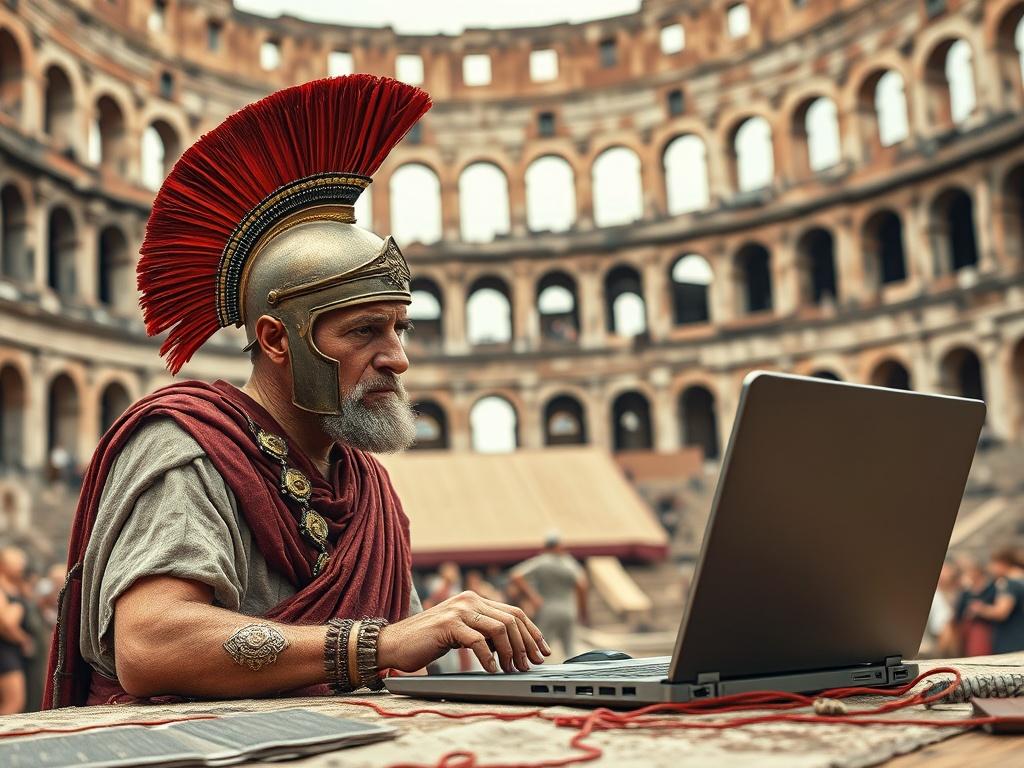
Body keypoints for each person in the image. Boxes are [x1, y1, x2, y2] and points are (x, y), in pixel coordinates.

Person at [44, 75, 549, 709]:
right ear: (278, 339)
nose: (397, 357)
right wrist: (376, 647)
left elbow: (402, 655)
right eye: (365, 330)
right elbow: (152, 645)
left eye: (400, 327)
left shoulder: (366, 487)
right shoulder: (189, 447)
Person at [510, 534, 589, 659]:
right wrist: (583, 611)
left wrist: (533, 596)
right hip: (569, 609)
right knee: (570, 648)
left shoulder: (542, 561)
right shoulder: (568, 563)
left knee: (540, 646)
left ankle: (536, 675)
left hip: (548, 608)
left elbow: (516, 575)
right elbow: (582, 585)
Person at [966, 548, 1024, 654]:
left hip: (1011, 643)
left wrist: (979, 609)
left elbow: (1001, 612)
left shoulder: (1009, 583)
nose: (990, 568)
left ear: (1002, 563)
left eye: (993, 563)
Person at [0, 546, 32, 714]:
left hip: (13, 654)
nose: (21, 566)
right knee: (13, 703)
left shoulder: (17, 588)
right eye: (16, 562)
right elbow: (6, 623)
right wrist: (24, 639)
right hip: (6, 653)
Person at [954, 557, 995, 657]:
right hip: (969, 631)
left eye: (972, 571)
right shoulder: (965, 593)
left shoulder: (992, 589)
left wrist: (981, 610)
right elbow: (958, 614)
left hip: (987, 630)